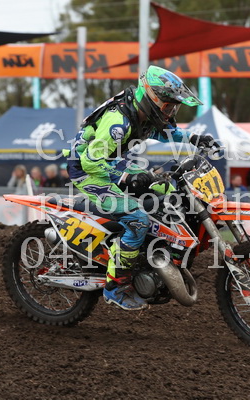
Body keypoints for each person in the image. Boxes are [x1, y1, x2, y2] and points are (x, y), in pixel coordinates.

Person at [66, 65, 211, 311]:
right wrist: (125, 178)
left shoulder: (143, 113)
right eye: (168, 106)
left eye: (174, 108)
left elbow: (169, 134)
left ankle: (154, 253)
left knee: (167, 191)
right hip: (88, 170)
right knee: (137, 219)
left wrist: (195, 138)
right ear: (153, 99)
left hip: (111, 163)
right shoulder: (118, 123)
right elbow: (91, 161)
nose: (171, 112)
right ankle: (115, 286)